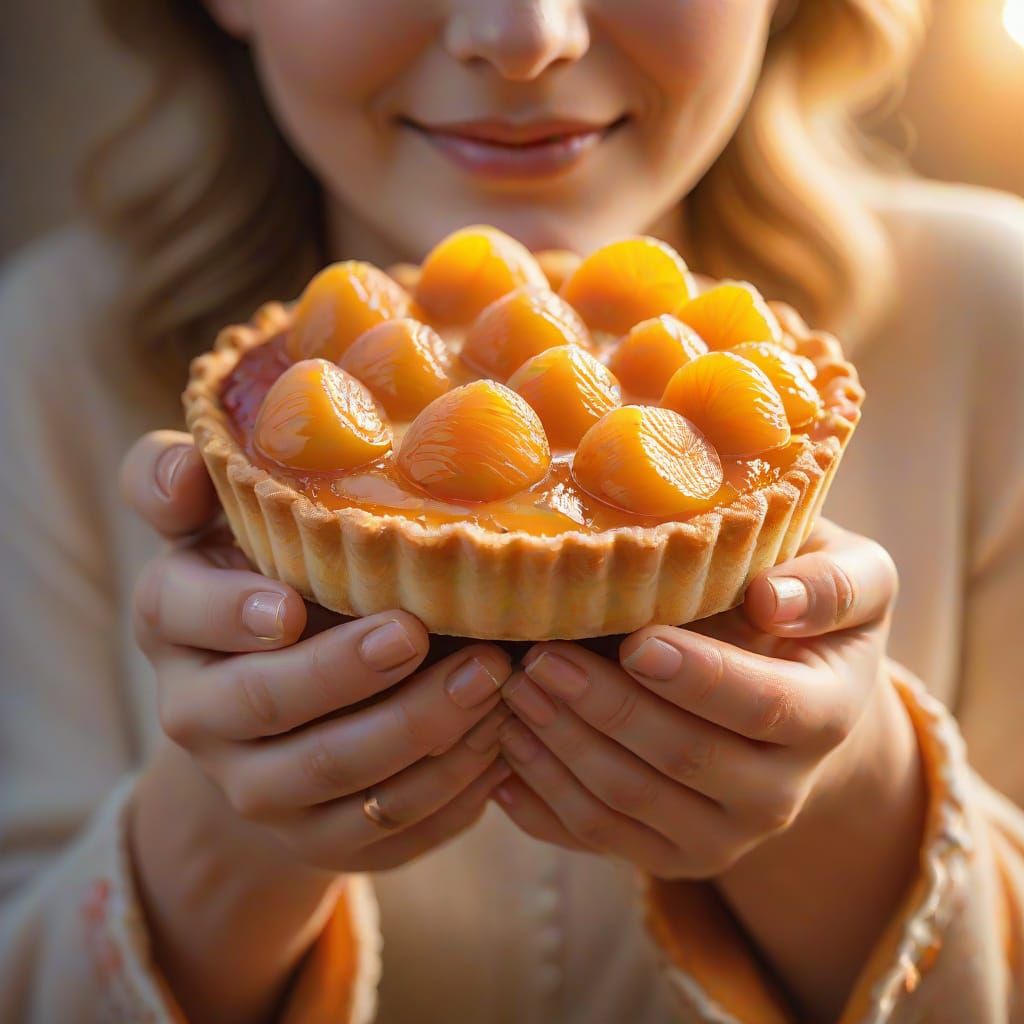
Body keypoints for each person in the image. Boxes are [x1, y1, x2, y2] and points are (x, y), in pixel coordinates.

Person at [1, 1, 1022, 1021]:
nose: (527, 35)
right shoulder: (46, 366)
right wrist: (217, 844)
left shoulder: (994, 324)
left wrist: (855, 807)